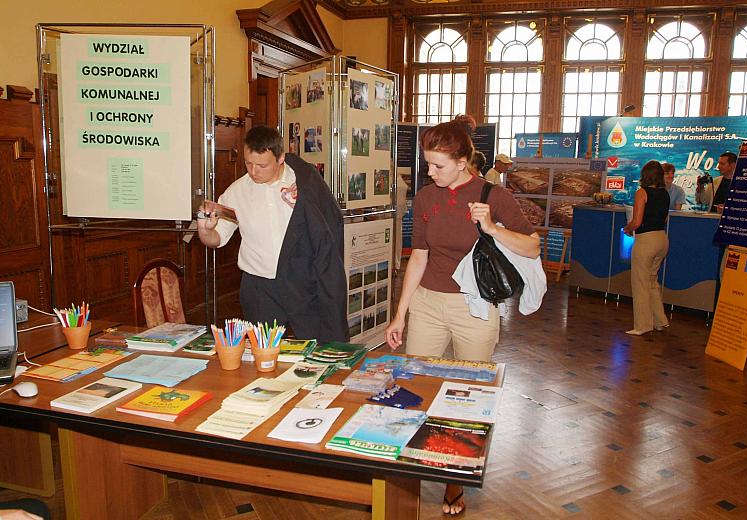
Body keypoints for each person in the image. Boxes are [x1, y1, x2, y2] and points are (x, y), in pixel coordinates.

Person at [385, 114, 539, 515]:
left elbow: (533, 248)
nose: (429, 171)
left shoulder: (493, 195)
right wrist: (399, 314)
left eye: (437, 165)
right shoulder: (426, 197)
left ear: (462, 161)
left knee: (468, 397)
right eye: (427, 163)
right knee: (417, 390)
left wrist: (492, 227)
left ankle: (455, 482)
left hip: (475, 307)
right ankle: (411, 476)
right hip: (428, 304)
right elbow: (418, 256)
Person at [197, 125, 348, 342]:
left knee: (315, 347)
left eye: (262, 165)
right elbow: (217, 239)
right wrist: (205, 230)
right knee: (262, 353)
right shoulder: (237, 191)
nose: (254, 172)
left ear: (280, 158)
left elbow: (328, 229)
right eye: (249, 164)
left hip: (302, 283)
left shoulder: (304, 184)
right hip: (260, 287)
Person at [623, 160, 670, 336]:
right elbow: (664, 219)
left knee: (640, 283)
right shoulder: (665, 193)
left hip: (646, 241)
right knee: (652, 281)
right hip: (662, 239)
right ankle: (660, 320)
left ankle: (642, 325)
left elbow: (637, 221)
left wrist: (626, 229)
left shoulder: (641, 193)